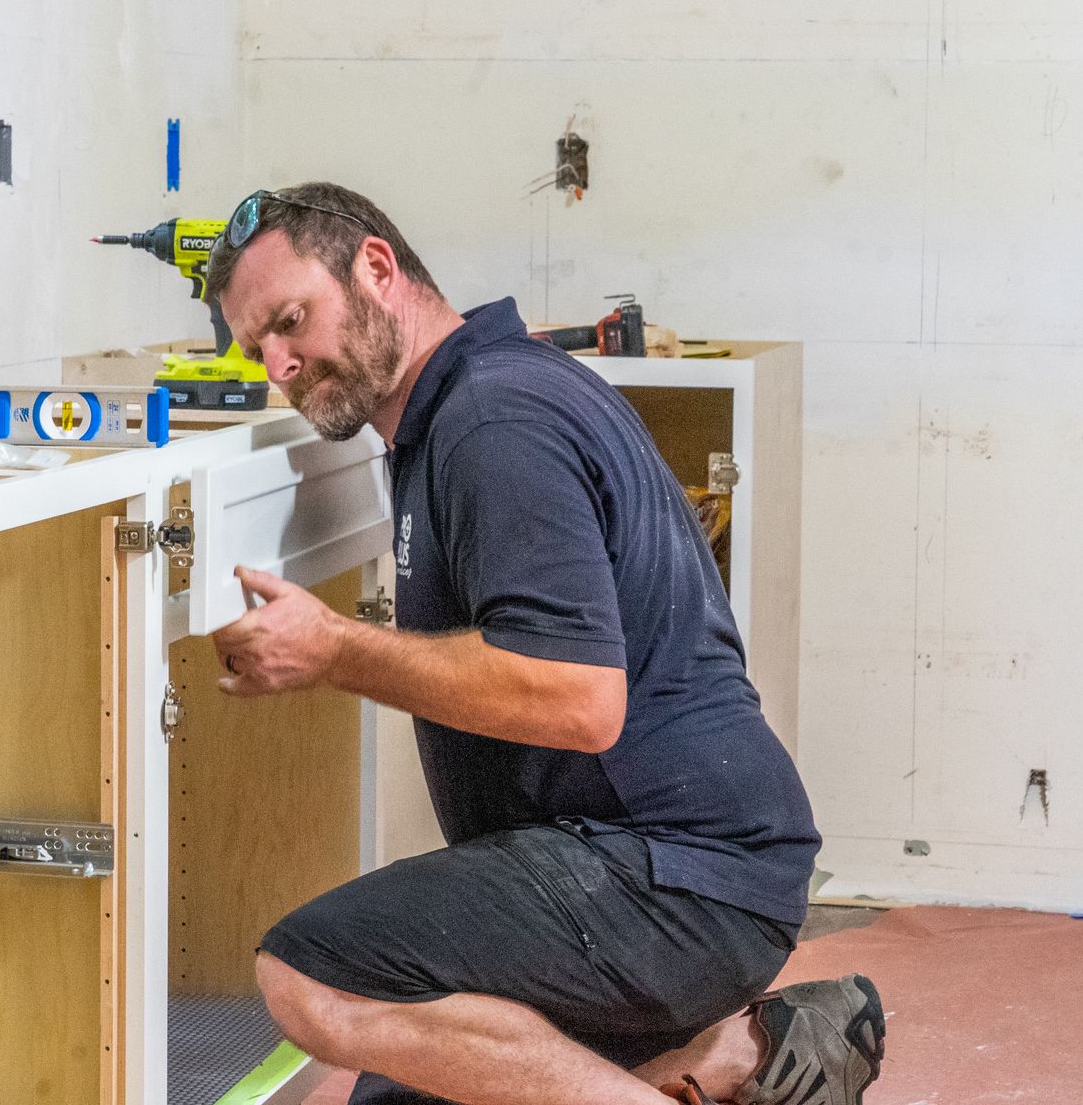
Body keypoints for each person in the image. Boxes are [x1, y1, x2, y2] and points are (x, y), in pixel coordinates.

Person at [202, 183, 885, 1105]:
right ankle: (736, 1058)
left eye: (291, 320)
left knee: (313, 973)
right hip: (661, 864)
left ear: (375, 268)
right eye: (257, 349)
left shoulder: (494, 423)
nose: (280, 363)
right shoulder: (462, 408)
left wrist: (334, 650)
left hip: (676, 876)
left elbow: (574, 696)